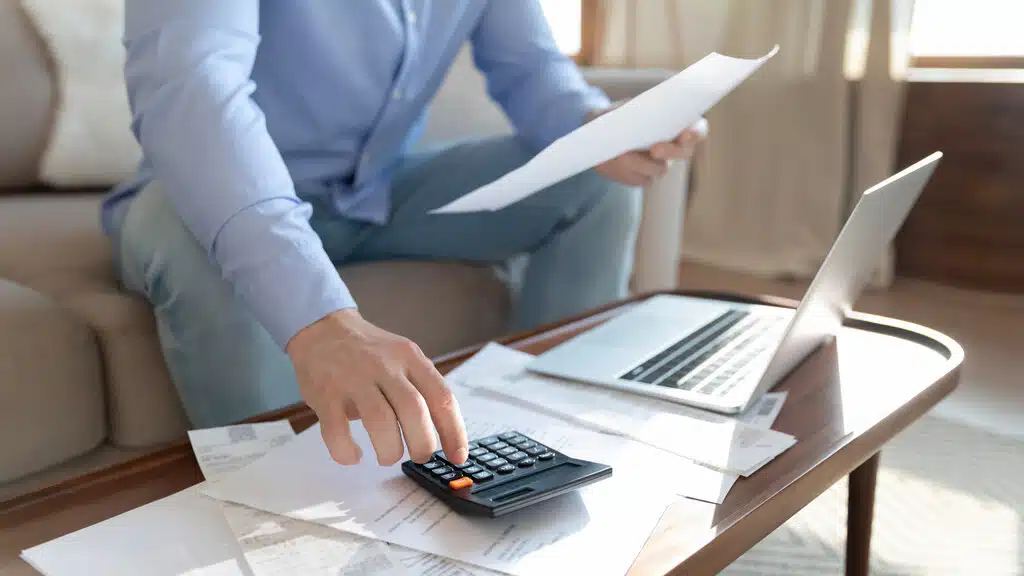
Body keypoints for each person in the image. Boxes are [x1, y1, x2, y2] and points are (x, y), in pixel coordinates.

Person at [107, 1, 704, 469]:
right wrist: (318, 318)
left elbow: (532, 69)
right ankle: (280, 513)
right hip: (212, 198)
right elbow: (192, 83)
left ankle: (555, 444)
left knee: (593, 177)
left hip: (376, 194)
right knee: (191, 224)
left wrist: (597, 128)